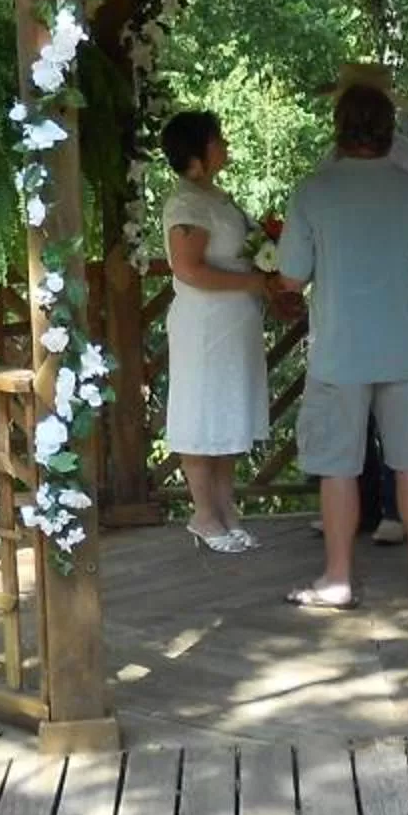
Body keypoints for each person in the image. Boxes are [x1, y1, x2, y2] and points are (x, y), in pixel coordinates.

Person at [275, 82, 408, 608]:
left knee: (337, 465)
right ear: (389, 129)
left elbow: (291, 275)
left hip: (339, 350)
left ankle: (337, 579)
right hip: (403, 347)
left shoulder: (314, 191)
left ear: (339, 127)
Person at [327, 60, 408, 547]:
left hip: (380, 303)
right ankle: (364, 507)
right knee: (368, 415)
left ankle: (390, 509)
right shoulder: (330, 165)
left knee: (386, 414)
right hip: (362, 308)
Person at [158, 110, 275, 554]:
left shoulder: (216, 196)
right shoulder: (186, 202)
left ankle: (227, 508)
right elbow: (188, 268)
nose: (224, 145)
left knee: (228, 412)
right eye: (217, 139)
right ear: (198, 150)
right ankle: (204, 513)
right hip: (204, 326)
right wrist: (253, 282)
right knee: (200, 412)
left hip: (236, 322)